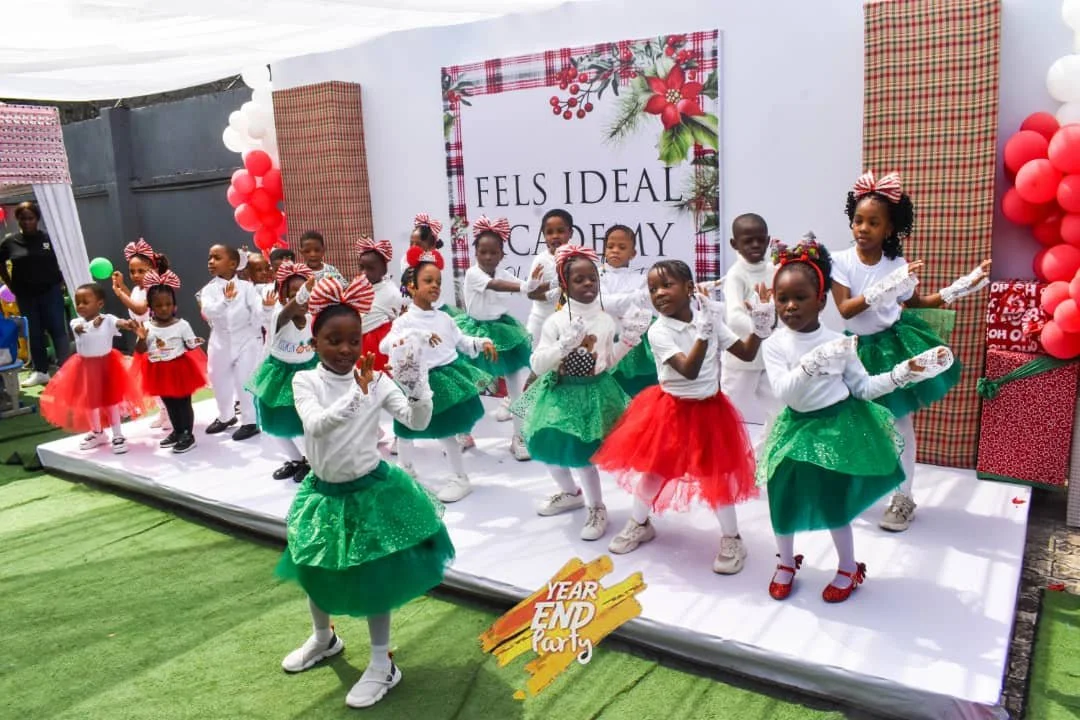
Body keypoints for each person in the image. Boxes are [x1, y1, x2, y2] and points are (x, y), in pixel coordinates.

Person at [277, 277, 454, 710]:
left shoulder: (375, 378)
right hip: (323, 493)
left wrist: (419, 383)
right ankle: (324, 638)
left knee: (374, 579)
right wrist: (358, 391)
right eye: (333, 340)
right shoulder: (306, 382)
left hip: (371, 492)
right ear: (314, 340)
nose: (345, 349)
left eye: (353, 340)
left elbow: (413, 421)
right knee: (314, 568)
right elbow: (317, 425)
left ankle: (382, 664)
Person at [761, 237, 952, 602]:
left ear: (821, 300)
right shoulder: (774, 344)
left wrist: (903, 373)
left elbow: (863, 388)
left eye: (800, 298)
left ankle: (848, 567)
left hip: (834, 428)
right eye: (782, 298)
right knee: (781, 496)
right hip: (794, 427)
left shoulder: (840, 341)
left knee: (834, 503)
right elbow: (786, 392)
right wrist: (812, 363)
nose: (789, 306)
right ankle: (785, 562)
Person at [830, 171, 991, 532]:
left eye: (873, 222)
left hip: (891, 349)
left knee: (899, 425)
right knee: (849, 424)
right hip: (854, 352)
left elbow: (918, 303)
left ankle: (903, 498)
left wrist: (965, 284)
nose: (863, 228)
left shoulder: (897, 265)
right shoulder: (840, 261)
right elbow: (845, 309)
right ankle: (850, 489)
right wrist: (883, 289)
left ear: (889, 229)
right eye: (858, 220)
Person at [593, 259, 773, 573]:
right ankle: (640, 523)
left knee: (715, 477)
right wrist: (704, 332)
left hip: (709, 413)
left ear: (690, 288)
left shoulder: (709, 320)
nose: (658, 293)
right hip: (671, 413)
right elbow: (688, 371)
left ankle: (733, 538)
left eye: (667, 285)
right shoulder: (659, 331)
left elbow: (744, 353)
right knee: (653, 473)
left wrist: (759, 329)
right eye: (652, 289)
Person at [512, 245, 650, 541]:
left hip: (594, 394)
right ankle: (568, 492)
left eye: (592, 279)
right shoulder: (556, 322)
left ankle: (596, 506)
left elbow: (608, 361)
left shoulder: (605, 320)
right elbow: (536, 362)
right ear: (565, 284)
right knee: (545, 447)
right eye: (579, 280)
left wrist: (627, 340)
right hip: (560, 393)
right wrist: (562, 346)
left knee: (585, 458)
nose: (588, 284)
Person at [381, 248, 496, 503]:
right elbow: (385, 346)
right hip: (415, 382)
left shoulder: (444, 318)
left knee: (446, 432)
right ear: (411, 287)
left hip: (444, 380)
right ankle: (406, 471)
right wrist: (416, 336)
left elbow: (461, 342)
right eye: (428, 281)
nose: (435, 286)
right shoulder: (404, 321)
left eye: (438, 282)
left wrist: (481, 342)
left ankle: (460, 478)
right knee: (405, 430)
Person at [456, 216, 539, 461]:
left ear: (502, 255)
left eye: (493, 252)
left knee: (515, 385)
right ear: (476, 253)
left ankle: (519, 436)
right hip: (474, 332)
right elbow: (496, 285)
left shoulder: (504, 273)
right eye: (483, 252)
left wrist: (547, 287)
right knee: (468, 384)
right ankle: (463, 432)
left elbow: (526, 286)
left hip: (502, 330)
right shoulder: (473, 274)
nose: (488, 256)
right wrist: (524, 288)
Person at [39, 283, 144, 453]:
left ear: (100, 304)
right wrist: (92, 325)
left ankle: (118, 434)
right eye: (78, 302)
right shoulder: (76, 322)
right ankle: (97, 432)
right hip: (85, 368)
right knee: (91, 403)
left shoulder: (108, 319)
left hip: (107, 366)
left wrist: (129, 324)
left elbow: (120, 323)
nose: (80, 306)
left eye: (85, 302)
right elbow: (81, 329)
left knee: (111, 401)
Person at [245, 262, 317, 482]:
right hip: (280, 373)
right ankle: (295, 460)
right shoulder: (278, 315)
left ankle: (313, 463)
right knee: (274, 420)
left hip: (307, 371)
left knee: (306, 422)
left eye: (304, 293)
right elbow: (289, 312)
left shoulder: (313, 317)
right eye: (293, 293)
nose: (301, 300)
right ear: (281, 295)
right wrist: (303, 293)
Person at [129, 270, 208, 454]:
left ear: (174, 305)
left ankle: (188, 434)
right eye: (159, 305)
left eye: (168, 304)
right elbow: (140, 351)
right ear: (151, 307)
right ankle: (177, 431)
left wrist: (193, 342)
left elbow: (189, 345)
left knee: (183, 403)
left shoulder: (182, 324)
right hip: (158, 370)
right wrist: (141, 338)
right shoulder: (147, 326)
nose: (164, 308)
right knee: (169, 404)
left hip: (179, 368)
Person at [0, 201, 70, 387]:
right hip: (26, 295)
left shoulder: (49, 238)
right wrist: (9, 282)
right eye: (22, 219)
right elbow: (1, 263)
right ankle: (41, 371)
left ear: (37, 219)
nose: (26, 222)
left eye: (30, 218)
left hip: (50, 292)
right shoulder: (10, 241)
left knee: (57, 329)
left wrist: (61, 280)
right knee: (34, 332)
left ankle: (66, 370)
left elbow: (64, 258)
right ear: (18, 220)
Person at [199, 244, 264, 441]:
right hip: (220, 340)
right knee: (218, 378)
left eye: (217, 258)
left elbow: (257, 310)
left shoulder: (247, 288)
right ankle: (226, 416)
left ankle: (250, 421)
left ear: (233, 264)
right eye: (210, 257)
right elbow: (208, 311)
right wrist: (225, 301)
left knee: (245, 379)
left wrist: (264, 313)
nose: (211, 261)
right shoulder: (208, 290)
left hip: (247, 340)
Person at [721, 213, 779, 425]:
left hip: (770, 357)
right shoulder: (736, 274)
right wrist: (763, 327)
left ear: (768, 240)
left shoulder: (774, 271)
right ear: (734, 244)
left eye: (760, 239)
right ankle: (725, 457)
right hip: (741, 362)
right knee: (731, 416)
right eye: (748, 241)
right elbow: (734, 318)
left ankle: (769, 456)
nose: (755, 244)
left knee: (778, 413)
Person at [111, 238, 172, 429]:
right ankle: (163, 412)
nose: (136, 275)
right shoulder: (138, 289)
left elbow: (139, 309)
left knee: (161, 379)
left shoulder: (152, 289)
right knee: (151, 380)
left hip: (156, 338)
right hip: (143, 338)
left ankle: (171, 414)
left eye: (141, 271)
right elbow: (134, 299)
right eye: (132, 271)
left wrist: (119, 293)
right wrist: (121, 286)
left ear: (153, 270)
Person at [601, 224, 657, 398]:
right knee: (609, 391)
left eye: (622, 247)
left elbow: (641, 311)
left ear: (633, 254)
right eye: (610, 247)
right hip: (604, 340)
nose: (615, 251)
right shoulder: (596, 276)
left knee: (636, 391)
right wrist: (636, 297)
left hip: (632, 344)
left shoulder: (640, 279)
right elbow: (603, 303)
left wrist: (621, 305)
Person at [355, 237, 403, 372]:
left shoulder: (391, 293)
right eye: (361, 267)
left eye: (370, 268)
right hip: (359, 342)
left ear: (383, 270)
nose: (364, 272)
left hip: (379, 347)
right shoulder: (359, 286)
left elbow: (399, 319)